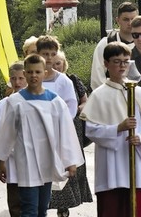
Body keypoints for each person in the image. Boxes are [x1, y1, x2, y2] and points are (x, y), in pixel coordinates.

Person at [0, 54, 84, 217]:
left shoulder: (55, 101)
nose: (34, 76)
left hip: (47, 161)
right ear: (25, 74)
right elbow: (7, 134)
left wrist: (70, 161)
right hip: (25, 161)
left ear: (45, 74)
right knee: (29, 208)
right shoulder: (15, 102)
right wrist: (2, 161)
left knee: (42, 207)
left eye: (37, 72)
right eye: (30, 72)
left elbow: (65, 132)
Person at [81, 42, 141, 216]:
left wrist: (139, 138)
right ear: (106, 64)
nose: (122, 66)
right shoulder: (99, 95)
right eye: (116, 61)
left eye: (125, 61)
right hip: (111, 165)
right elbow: (91, 130)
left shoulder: (137, 93)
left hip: (136, 162)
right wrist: (118, 128)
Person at [48, 51, 93, 217]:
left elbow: (85, 99)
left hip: (72, 128)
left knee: (71, 165)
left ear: (64, 64)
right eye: (53, 63)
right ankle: (52, 203)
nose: (55, 66)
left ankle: (64, 206)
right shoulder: (43, 81)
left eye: (58, 63)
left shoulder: (72, 79)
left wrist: (81, 107)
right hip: (52, 129)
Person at [0, 61, 28, 217]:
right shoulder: (3, 105)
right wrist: (2, 162)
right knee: (15, 203)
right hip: (12, 161)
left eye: (21, 78)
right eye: (13, 78)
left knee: (34, 204)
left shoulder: (37, 100)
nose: (17, 82)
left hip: (33, 159)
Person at [90, 1, 138, 90]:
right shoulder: (106, 44)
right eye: (126, 19)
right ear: (118, 20)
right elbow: (97, 78)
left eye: (133, 19)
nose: (130, 23)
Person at [35, 36, 78, 118]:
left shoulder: (64, 81)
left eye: (53, 54)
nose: (49, 58)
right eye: (45, 54)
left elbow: (71, 107)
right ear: (38, 54)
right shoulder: (29, 78)